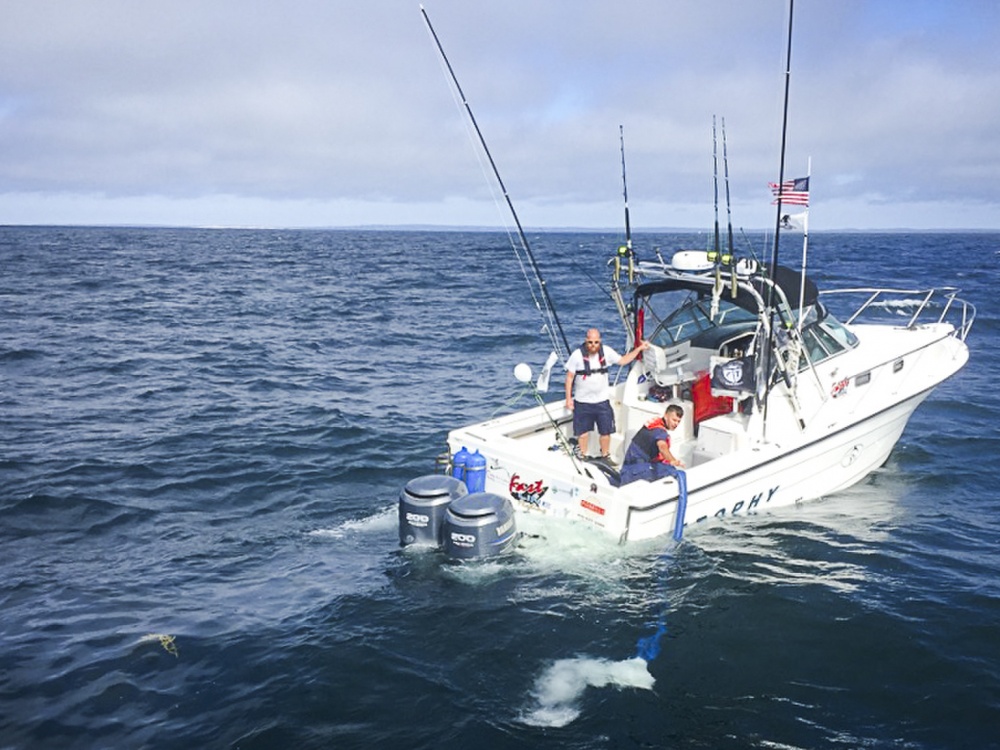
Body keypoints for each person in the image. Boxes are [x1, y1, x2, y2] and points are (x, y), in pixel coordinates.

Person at [564, 328, 649, 460]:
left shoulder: (606, 352)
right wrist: (568, 399)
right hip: (582, 402)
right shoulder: (576, 355)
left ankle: (605, 456)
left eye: (596, 342)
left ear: (600, 341)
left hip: (602, 401)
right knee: (583, 433)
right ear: (586, 341)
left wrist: (639, 349)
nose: (593, 345)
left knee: (606, 432)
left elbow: (623, 361)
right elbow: (569, 377)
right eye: (590, 342)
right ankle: (582, 455)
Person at [619, 404, 685, 485]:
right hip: (634, 470)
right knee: (672, 471)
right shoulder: (659, 432)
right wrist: (672, 460)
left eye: (678, 421)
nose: (676, 424)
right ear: (666, 416)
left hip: (630, 466)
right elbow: (662, 447)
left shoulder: (653, 424)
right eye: (674, 420)